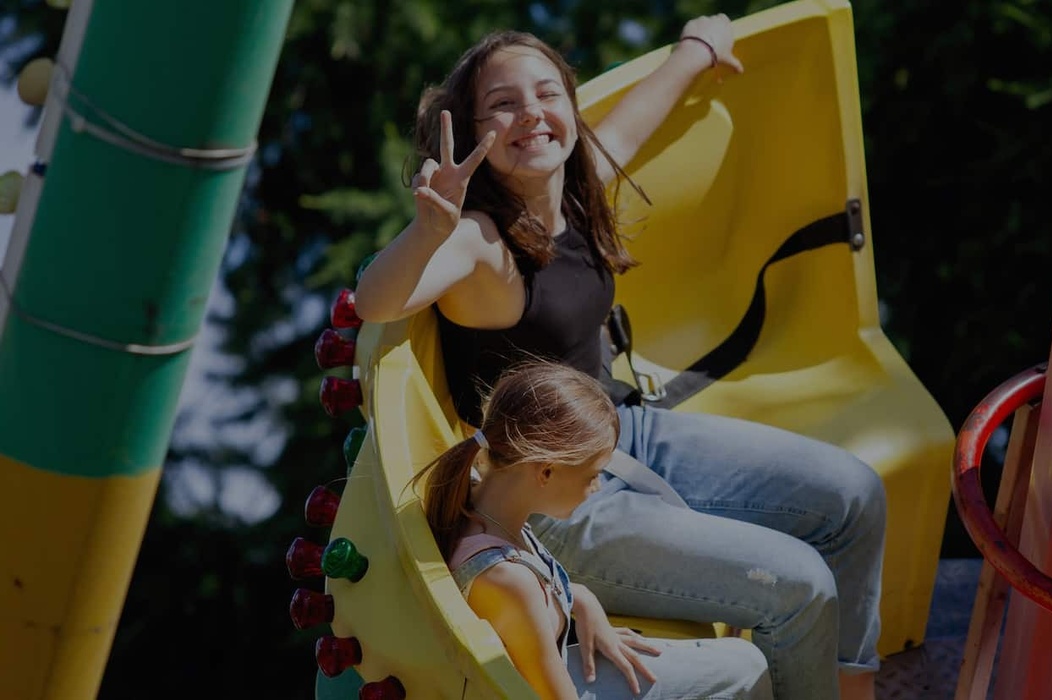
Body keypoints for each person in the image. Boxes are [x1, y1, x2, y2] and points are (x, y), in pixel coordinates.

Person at [355, 15, 885, 700]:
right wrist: (428, 229)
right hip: (553, 499)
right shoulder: (480, 242)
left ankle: (852, 688)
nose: (531, 113)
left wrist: (696, 48)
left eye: (547, 93)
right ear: (472, 131)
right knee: (799, 586)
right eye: (503, 104)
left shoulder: (575, 189)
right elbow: (375, 300)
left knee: (855, 496)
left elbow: (634, 123)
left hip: (621, 432)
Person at [417, 362, 773, 699]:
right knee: (747, 668)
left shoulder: (482, 500)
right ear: (546, 471)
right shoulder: (509, 580)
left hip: (558, 666)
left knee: (743, 661)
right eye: (592, 475)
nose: (598, 487)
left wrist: (582, 598)